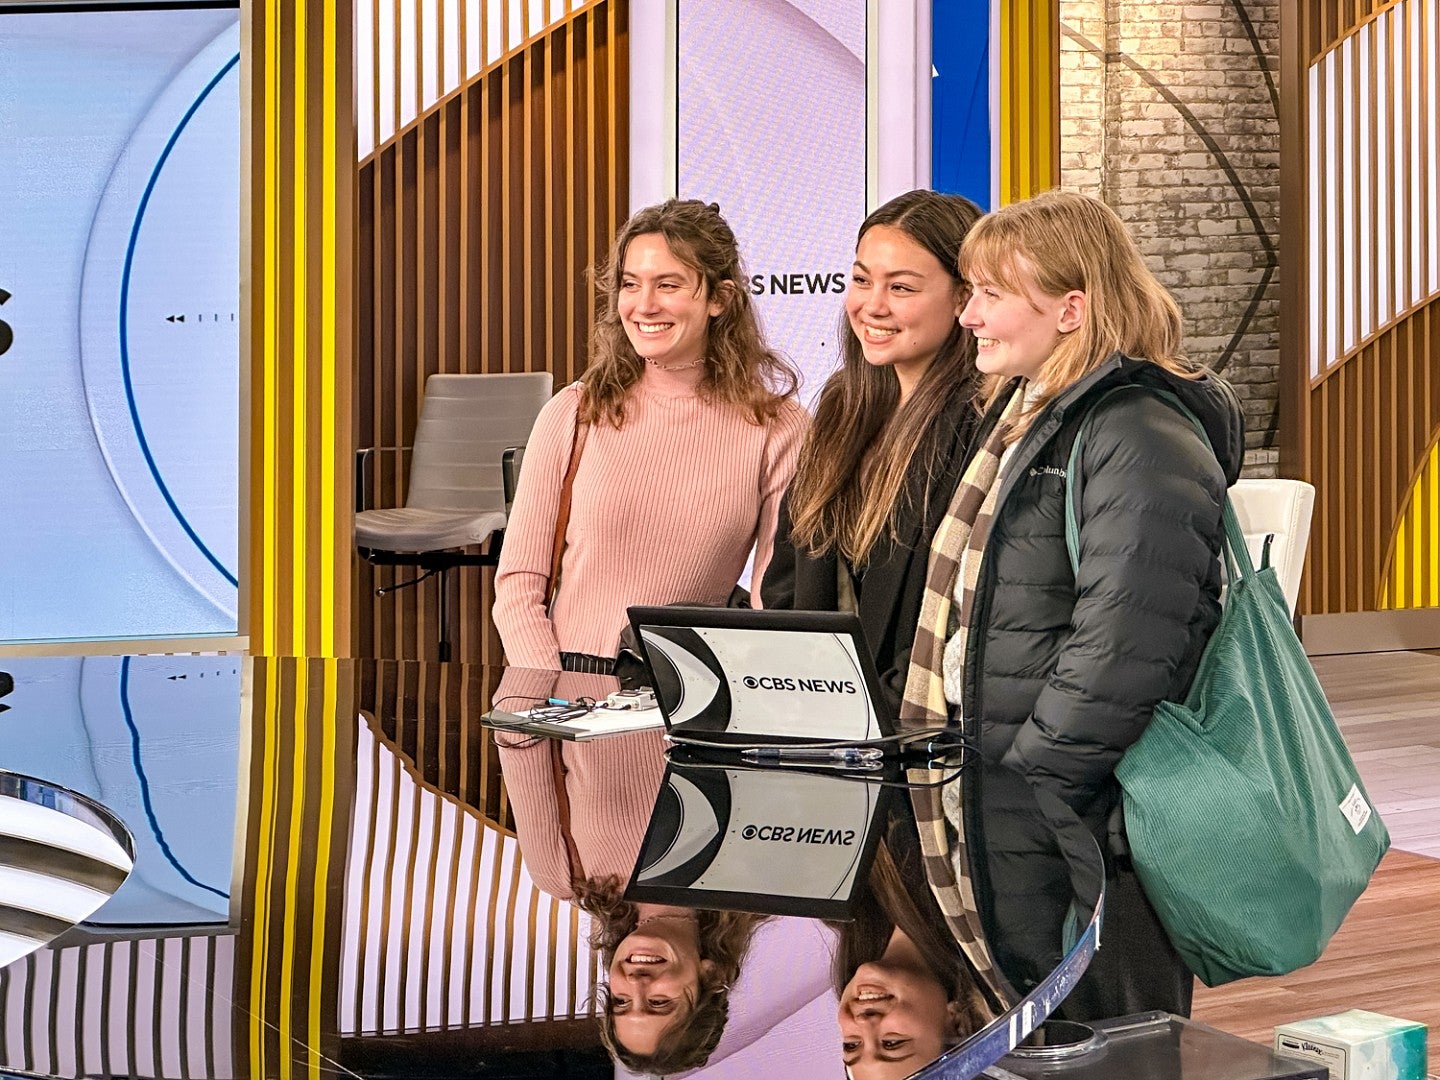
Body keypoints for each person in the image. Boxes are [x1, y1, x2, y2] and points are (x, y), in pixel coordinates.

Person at [900, 189, 1244, 1021]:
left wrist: (1035, 779)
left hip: (1079, 821)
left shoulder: (1135, 430)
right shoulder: (1027, 418)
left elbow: (1125, 648)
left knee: (1109, 1044)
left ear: (1070, 309)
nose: (970, 315)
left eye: (990, 294)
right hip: (1012, 800)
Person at [494, 199, 808, 673]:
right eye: (630, 284)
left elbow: (774, 602)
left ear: (719, 299)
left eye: (668, 285)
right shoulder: (575, 411)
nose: (644, 305)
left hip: (694, 689)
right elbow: (518, 585)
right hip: (570, 683)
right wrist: (550, 695)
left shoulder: (778, 427)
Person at [761, 190, 984, 713]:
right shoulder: (843, 405)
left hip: (917, 738)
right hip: (821, 726)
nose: (872, 305)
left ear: (962, 298)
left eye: (900, 287)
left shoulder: (981, 424)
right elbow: (787, 579)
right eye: (861, 280)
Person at [833, 812, 991, 1080]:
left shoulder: (835, 891)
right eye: (892, 1043)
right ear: (956, 1024)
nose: (863, 1022)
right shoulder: (987, 914)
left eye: (852, 1045)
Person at [576, 878, 767, 1072]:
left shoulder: (572, 877)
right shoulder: (756, 883)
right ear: (711, 975)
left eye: (621, 1000)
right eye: (659, 1002)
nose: (635, 983)